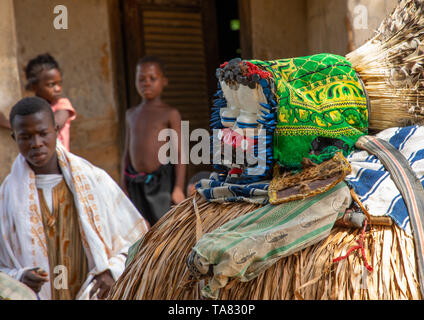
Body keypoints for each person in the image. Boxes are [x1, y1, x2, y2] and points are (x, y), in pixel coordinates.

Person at [0, 97, 148, 300]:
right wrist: (19, 276)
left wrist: (111, 271)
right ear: (14, 137)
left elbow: (137, 239)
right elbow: (3, 267)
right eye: (25, 137)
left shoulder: (94, 181)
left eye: (43, 133)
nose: (36, 144)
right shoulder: (6, 197)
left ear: (56, 129)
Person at [121, 56, 186, 227]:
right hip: (135, 182)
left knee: (164, 228)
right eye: (141, 79)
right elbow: (127, 152)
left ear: (164, 81)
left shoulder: (170, 113)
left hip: (161, 184)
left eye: (152, 78)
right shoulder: (131, 114)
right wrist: (123, 184)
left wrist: (178, 188)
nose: (146, 83)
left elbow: (180, 152)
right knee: (139, 228)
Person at [24, 53, 76, 151]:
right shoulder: (31, 107)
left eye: (59, 83)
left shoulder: (62, 105)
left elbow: (54, 125)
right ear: (34, 86)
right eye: (51, 85)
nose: (58, 89)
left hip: (60, 161)